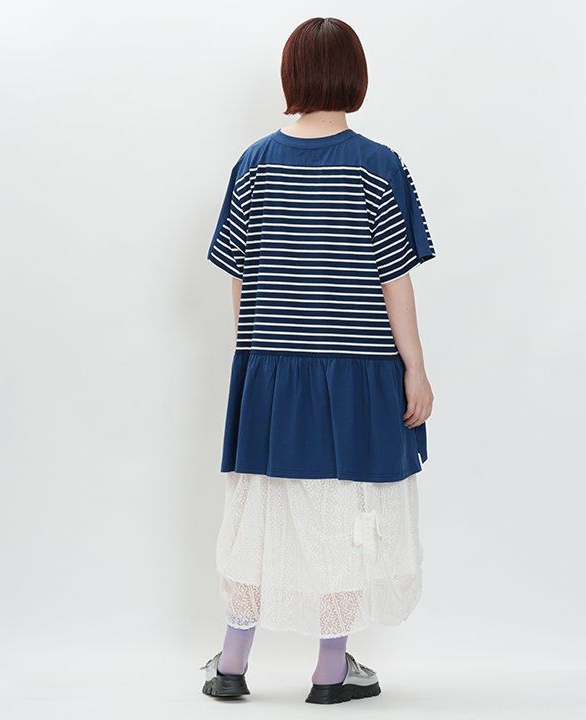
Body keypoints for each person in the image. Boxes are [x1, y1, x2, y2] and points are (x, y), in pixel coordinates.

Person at [202, 17, 436, 705]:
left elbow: (240, 276)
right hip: (357, 371)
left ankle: (232, 663)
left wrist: (258, 360)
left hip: (269, 368)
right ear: (355, 76)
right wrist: (416, 368)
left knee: (259, 508)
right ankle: (331, 672)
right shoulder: (377, 165)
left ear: (292, 75)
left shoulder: (254, 163)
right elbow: (395, 279)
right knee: (345, 513)